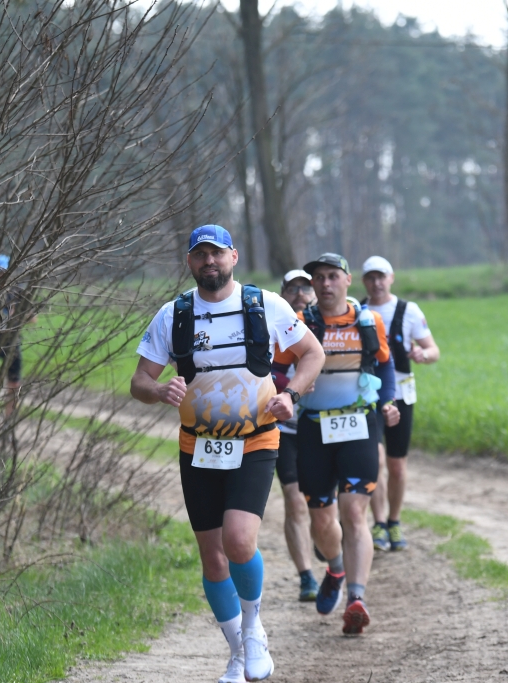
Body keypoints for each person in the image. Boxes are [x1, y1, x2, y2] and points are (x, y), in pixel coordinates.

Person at [130, 225, 324, 683]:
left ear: (233, 256)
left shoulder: (265, 305)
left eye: (217, 253)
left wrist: (291, 395)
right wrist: (159, 390)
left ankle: (254, 630)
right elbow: (139, 381)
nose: (209, 261)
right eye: (200, 254)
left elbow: (312, 354)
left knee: (238, 540)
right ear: (189, 262)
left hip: (255, 439)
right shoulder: (174, 315)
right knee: (213, 557)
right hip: (198, 446)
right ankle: (237, 653)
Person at [272, 253, 400, 636]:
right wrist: (288, 389)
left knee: (354, 512)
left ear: (347, 280)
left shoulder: (367, 321)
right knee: (321, 520)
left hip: (359, 423)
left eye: (332, 276)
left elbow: (385, 364)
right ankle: (336, 568)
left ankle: (356, 599)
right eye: (318, 278)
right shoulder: (299, 324)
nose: (325, 284)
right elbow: (275, 370)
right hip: (313, 429)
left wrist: (388, 401)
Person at [360, 255, 440, 552]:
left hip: (402, 396)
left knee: (397, 466)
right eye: (371, 278)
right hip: (368, 398)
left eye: (381, 277)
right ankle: (379, 523)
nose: (377, 283)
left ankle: (394, 521)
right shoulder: (357, 310)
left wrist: (423, 355)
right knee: (376, 461)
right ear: (363, 281)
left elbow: (433, 350)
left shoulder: (409, 311)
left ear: (391, 278)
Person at [271, 269, 331, 602]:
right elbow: (265, 372)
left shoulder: (327, 325)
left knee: (324, 503)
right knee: (294, 500)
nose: (299, 294)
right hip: (284, 429)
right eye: (292, 288)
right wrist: (293, 387)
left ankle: (326, 542)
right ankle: (306, 576)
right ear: (282, 293)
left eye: (306, 288)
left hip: (322, 426)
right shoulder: (272, 328)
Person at [0, 254, 36, 418]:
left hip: (6, 342)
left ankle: (5, 419)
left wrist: (19, 315)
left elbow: (32, 318)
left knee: (12, 383)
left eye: (3, 272)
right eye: (0, 272)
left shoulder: (15, 293)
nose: (2, 275)